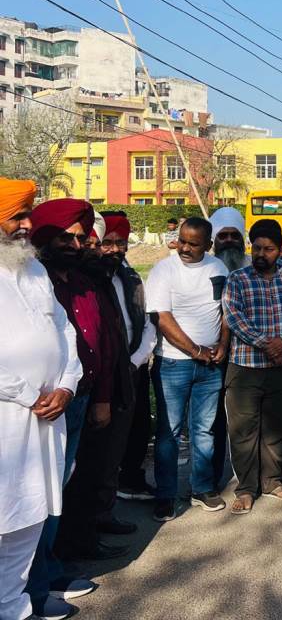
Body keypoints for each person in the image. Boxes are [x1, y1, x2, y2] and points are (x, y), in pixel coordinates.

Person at [31, 200, 133, 563]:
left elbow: (102, 344)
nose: (76, 246)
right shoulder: (30, 282)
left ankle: (66, 555)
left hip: (83, 397)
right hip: (40, 405)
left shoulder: (85, 283)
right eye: (66, 239)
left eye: (80, 239)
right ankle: (37, 570)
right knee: (41, 490)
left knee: (76, 481)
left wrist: (103, 397)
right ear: (44, 237)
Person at [0, 180, 83, 620]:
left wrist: (67, 384)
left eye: (28, 215)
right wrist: (30, 394)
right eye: (17, 216)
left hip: (49, 418)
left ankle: (13, 608)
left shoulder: (34, 271)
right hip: (8, 420)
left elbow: (64, 331)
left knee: (28, 519)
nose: (28, 225)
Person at [222, 219, 282, 514]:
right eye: (257, 248)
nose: (262, 253)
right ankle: (246, 488)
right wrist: (265, 343)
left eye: (269, 249)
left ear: (280, 250)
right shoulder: (238, 279)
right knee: (243, 429)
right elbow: (233, 316)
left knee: (276, 426)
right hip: (246, 366)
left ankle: (272, 480)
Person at [145, 216, 231, 521]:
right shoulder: (163, 270)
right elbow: (162, 319)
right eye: (182, 240)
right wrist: (196, 351)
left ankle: (201, 488)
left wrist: (222, 344)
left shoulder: (217, 268)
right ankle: (165, 495)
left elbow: (225, 311)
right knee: (169, 432)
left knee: (204, 430)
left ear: (208, 245)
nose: (184, 247)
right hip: (173, 364)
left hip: (210, 366)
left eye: (193, 244)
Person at [102, 213, 159, 505]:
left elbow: (147, 323)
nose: (114, 249)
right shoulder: (92, 278)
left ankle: (130, 480)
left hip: (133, 366)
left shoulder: (131, 276)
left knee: (137, 428)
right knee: (103, 439)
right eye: (107, 242)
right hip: (103, 371)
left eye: (120, 243)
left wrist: (135, 360)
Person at [210, 206, 249, 272]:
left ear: (242, 239)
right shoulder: (208, 266)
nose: (229, 240)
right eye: (223, 236)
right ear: (214, 240)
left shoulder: (253, 266)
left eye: (235, 235)